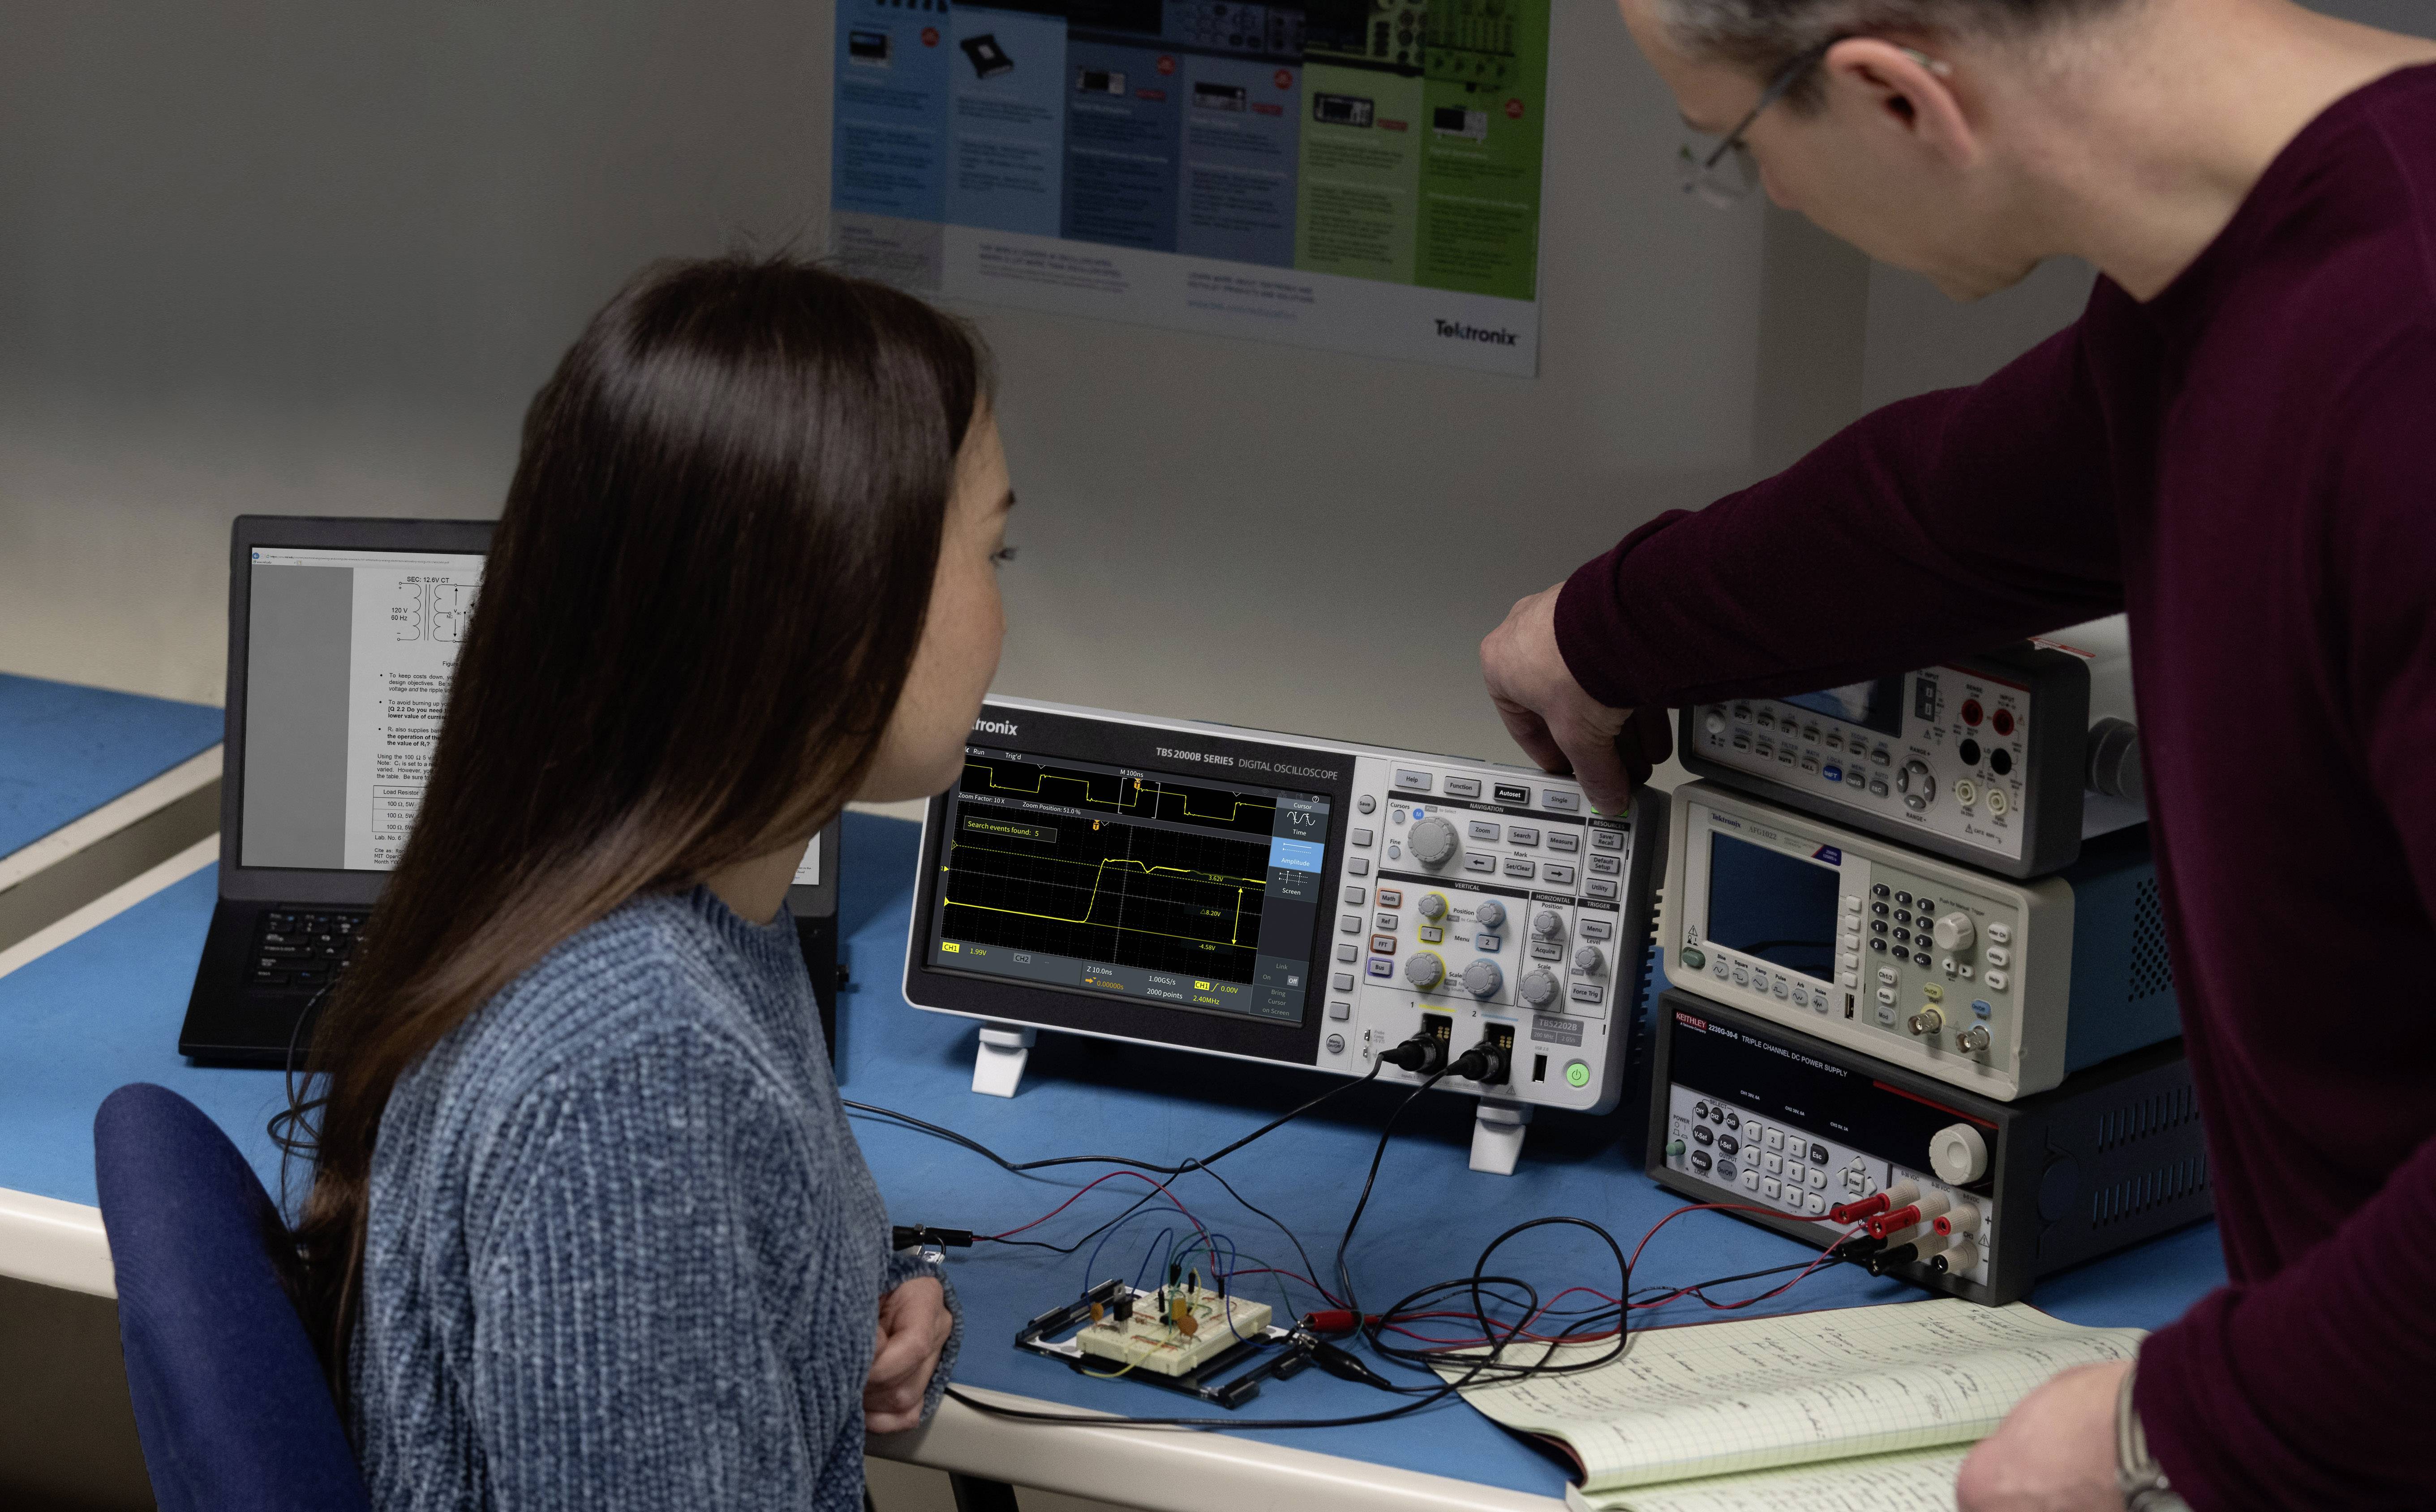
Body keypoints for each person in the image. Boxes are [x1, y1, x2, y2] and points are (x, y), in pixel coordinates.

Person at [1478, 0, 2436, 1508]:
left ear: (1897, 98)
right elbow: (1955, 506)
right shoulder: (2240, 279)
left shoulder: (2406, 364)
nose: (1771, 194)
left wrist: (2160, 1427)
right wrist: (1599, 632)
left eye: (1736, 145)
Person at [283, 257, 1014, 1510]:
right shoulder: (632, 1063)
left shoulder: (696, 914)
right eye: (996, 552)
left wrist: (851, 1318)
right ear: (836, 603)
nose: (1004, 613)